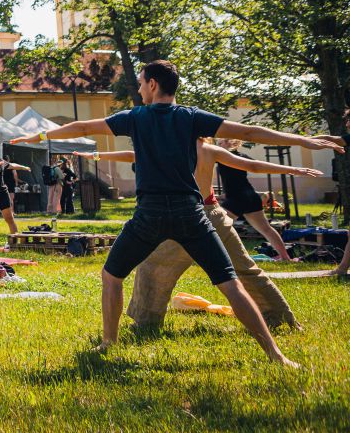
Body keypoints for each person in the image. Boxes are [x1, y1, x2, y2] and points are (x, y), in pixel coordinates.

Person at [9, 59, 342, 366]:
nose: (140, 89)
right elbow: (248, 133)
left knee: (112, 276)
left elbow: (83, 127)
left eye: (141, 83)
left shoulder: (135, 118)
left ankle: (109, 342)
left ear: (153, 84)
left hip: (149, 215)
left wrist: (39, 135)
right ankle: (276, 355)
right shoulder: (191, 118)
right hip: (191, 213)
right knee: (230, 284)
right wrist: (303, 140)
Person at [80, 141, 314, 331]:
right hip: (216, 215)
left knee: (152, 268)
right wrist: (292, 170)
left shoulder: (172, 147)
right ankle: (281, 318)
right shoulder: (209, 149)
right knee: (245, 269)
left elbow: (134, 155)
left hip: (188, 215)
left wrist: (98, 156)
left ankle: (145, 321)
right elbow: (250, 165)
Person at [212, 138, 294, 262]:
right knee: (266, 229)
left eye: (220, 143)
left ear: (230, 142)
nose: (217, 145)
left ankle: (220, 259)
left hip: (238, 199)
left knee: (215, 227)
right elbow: (253, 169)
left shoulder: (223, 157)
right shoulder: (242, 156)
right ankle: (285, 258)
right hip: (250, 196)